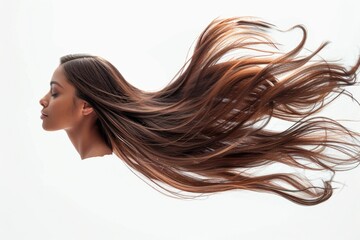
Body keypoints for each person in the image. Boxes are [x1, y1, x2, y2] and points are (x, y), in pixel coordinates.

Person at [39, 17, 360, 206]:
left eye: (54, 92)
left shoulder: (109, 183)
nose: (42, 101)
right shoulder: (110, 171)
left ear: (85, 105)